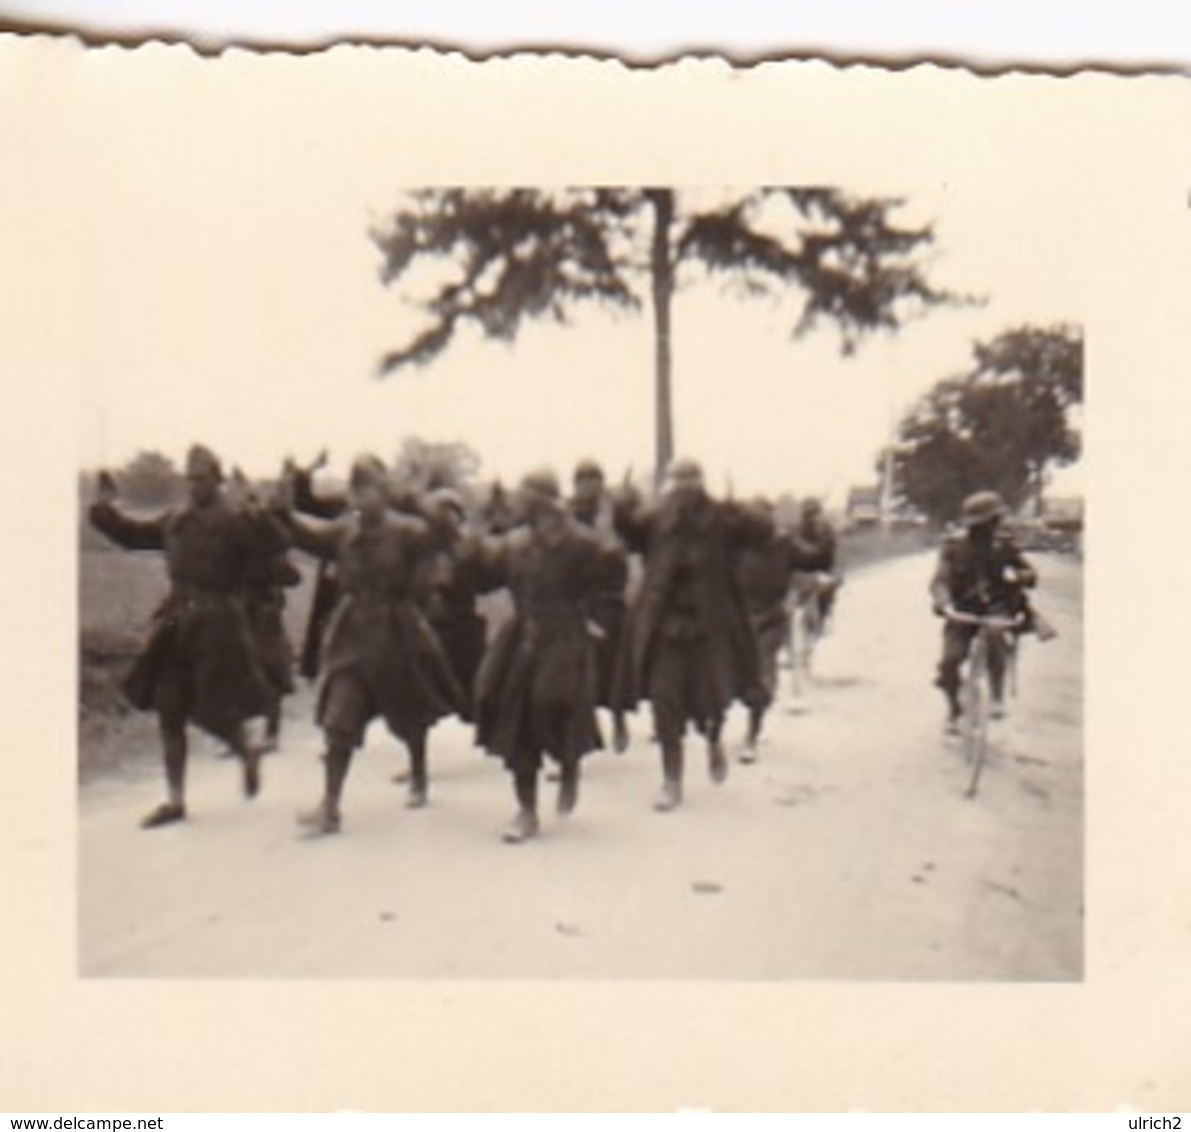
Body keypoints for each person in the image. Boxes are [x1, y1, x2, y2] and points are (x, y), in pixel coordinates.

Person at [88, 445, 276, 828]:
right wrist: (104, 511)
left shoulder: (235, 522)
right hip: (177, 621)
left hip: (220, 624)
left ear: (217, 481)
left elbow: (269, 553)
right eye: (189, 479)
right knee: (169, 708)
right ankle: (175, 801)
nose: (194, 486)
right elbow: (134, 535)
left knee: (207, 708)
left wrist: (261, 515)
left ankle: (245, 748)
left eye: (202, 479)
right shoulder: (176, 520)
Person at [276, 454, 463, 831]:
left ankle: (419, 775)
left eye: (372, 488)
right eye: (357, 489)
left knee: (409, 711)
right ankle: (330, 806)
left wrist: (414, 496)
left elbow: (444, 535)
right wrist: (284, 510)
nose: (363, 497)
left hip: (398, 630)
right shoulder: (346, 530)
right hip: (353, 633)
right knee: (339, 718)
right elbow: (309, 536)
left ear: (384, 491)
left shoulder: (408, 529)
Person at [613, 458, 770, 811]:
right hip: (666, 627)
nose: (684, 487)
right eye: (678, 480)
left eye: (691, 479)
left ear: (701, 482)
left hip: (709, 629)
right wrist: (624, 501)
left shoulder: (721, 519)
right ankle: (672, 780)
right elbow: (628, 530)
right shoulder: (656, 519)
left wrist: (738, 506)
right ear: (670, 484)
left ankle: (713, 737)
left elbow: (762, 532)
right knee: (663, 701)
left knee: (710, 700)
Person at [473, 469, 606, 844]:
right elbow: (484, 573)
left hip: (564, 635)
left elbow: (604, 583)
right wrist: (473, 535)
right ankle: (526, 809)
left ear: (543, 500)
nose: (516, 499)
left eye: (524, 493)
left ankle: (569, 764)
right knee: (511, 716)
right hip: (524, 635)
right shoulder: (515, 543)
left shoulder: (581, 543)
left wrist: (595, 622)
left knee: (553, 703)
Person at [930, 490, 1041, 733]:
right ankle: (954, 710)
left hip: (997, 608)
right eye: (979, 525)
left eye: (990, 523)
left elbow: (1031, 574)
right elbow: (940, 580)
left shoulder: (1005, 546)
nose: (985, 529)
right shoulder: (954, 546)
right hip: (963, 612)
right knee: (949, 662)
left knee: (995, 633)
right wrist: (944, 603)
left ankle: (997, 695)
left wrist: (1021, 575)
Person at [732, 497, 822, 759]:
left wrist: (823, 532)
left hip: (769, 618)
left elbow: (813, 559)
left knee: (761, 676)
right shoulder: (735, 546)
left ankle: (752, 735)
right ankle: (714, 729)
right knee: (721, 677)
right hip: (737, 620)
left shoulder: (785, 545)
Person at [227, 468, 302, 751]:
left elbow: (285, 545)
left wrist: (264, 516)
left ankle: (271, 734)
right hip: (238, 608)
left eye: (254, 500)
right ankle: (240, 733)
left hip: (266, 610)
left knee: (271, 669)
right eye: (246, 500)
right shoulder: (234, 527)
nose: (250, 506)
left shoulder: (271, 531)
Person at [568, 459, 631, 753]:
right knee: (580, 668)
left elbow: (620, 550)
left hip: (610, 597)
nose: (589, 486)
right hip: (580, 598)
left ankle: (618, 718)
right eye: (584, 480)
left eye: (595, 480)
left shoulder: (613, 513)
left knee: (615, 665)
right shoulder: (568, 514)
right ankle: (586, 723)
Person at [789, 496, 842, 633]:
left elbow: (831, 552)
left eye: (815, 513)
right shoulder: (797, 530)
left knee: (827, 588)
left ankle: (826, 613)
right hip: (803, 569)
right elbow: (791, 549)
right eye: (808, 514)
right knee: (796, 593)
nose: (812, 518)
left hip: (823, 567)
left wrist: (835, 572)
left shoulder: (826, 530)